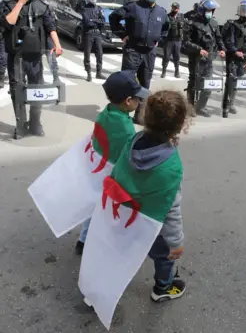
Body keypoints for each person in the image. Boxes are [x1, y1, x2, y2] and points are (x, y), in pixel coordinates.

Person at [78, 90, 190, 329]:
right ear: (180, 125)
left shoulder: (133, 140)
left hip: (120, 212)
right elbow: (171, 209)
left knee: (113, 252)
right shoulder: (171, 166)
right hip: (148, 223)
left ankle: (96, 290)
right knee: (164, 256)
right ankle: (163, 287)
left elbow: (117, 170)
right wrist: (176, 242)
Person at [74, 70, 148, 255]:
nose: (140, 102)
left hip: (97, 170)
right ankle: (101, 243)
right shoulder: (125, 126)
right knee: (107, 209)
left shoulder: (107, 112)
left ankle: (83, 241)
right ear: (128, 101)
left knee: (94, 207)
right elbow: (128, 155)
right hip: (109, 174)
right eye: (138, 99)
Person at [0, 0, 62, 137]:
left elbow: (51, 26)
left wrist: (57, 45)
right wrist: (20, 2)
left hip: (35, 58)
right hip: (16, 57)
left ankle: (35, 123)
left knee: (37, 91)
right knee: (17, 92)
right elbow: (8, 22)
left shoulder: (42, 6)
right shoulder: (8, 5)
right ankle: (20, 125)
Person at [109, 0, 169, 125]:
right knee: (127, 83)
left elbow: (166, 29)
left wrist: (158, 40)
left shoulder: (161, 12)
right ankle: (121, 114)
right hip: (133, 50)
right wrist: (122, 35)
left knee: (145, 85)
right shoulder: (133, 6)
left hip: (149, 53)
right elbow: (114, 17)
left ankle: (139, 115)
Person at [183, 0, 225, 117]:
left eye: (212, 10)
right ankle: (190, 106)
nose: (210, 13)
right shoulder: (191, 22)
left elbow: (218, 38)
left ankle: (200, 107)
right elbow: (186, 42)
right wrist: (198, 49)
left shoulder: (214, 23)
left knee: (209, 84)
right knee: (193, 82)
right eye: (208, 10)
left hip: (210, 58)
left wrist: (222, 49)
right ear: (202, 10)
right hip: (196, 58)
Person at [222, 0, 246, 118]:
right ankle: (225, 107)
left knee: (236, 83)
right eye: (243, 10)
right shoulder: (233, 25)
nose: (245, 13)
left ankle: (231, 104)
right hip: (233, 57)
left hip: (244, 60)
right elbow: (229, 41)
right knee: (230, 82)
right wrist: (235, 51)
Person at [81, 0, 105, 82]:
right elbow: (87, 23)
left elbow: (102, 21)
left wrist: (93, 20)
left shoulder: (99, 8)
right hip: (88, 33)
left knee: (99, 54)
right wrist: (96, 21)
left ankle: (99, 72)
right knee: (87, 54)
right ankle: (89, 73)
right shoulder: (84, 8)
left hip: (97, 34)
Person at [162, 2, 184, 79]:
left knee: (177, 57)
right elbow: (163, 28)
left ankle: (176, 72)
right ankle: (164, 71)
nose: (174, 9)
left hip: (178, 40)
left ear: (178, 9)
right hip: (169, 40)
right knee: (166, 56)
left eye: (175, 8)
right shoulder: (167, 16)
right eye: (173, 7)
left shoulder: (181, 17)